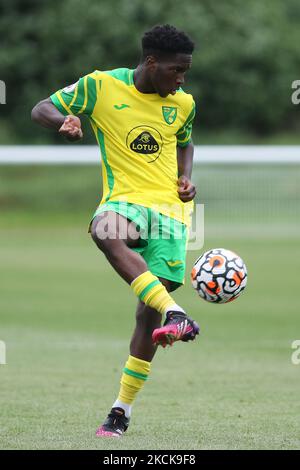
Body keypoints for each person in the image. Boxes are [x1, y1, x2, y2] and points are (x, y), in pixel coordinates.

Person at [31, 24, 199, 438]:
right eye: (176, 70)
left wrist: (185, 176)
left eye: (186, 72)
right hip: (124, 197)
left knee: (146, 315)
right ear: (151, 61)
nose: (181, 80)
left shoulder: (183, 102)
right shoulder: (102, 85)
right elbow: (41, 108)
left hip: (172, 211)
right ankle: (176, 313)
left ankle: (120, 411)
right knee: (105, 229)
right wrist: (62, 123)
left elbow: (185, 141)